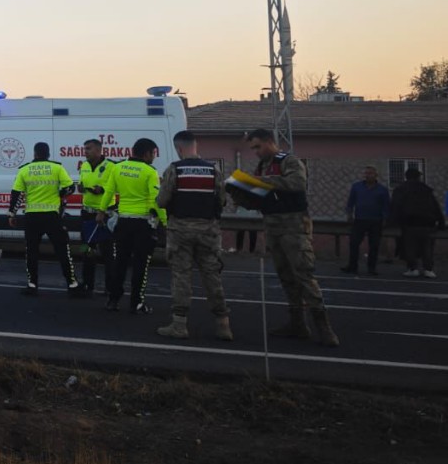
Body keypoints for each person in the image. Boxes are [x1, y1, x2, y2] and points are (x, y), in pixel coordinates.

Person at [237, 128, 338, 346]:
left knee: (304, 275)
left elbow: (297, 183)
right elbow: (261, 198)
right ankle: (298, 324)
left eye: (257, 146)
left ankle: (324, 327)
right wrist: (242, 192)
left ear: (269, 142)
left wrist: (260, 182)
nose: (255, 152)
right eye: (252, 148)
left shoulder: (288, 161)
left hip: (293, 226)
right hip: (272, 225)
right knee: (286, 277)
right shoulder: (262, 166)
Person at [154, 131, 231, 340]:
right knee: (212, 275)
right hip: (209, 231)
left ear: (179, 148)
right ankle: (223, 324)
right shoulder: (213, 169)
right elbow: (222, 200)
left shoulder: (175, 170)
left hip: (180, 231)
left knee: (181, 276)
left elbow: (161, 201)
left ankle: (179, 324)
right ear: (196, 145)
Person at [98, 138, 163, 314]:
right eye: (154, 154)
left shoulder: (118, 167)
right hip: (143, 224)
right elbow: (155, 200)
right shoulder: (150, 171)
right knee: (141, 264)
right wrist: (164, 222)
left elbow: (109, 191)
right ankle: (137, 303)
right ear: (147, 153)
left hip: (123, 222)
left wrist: (101, 211)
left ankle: (113, 299)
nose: (154, 158)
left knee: (120, 262)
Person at [9, 142, 82, 296]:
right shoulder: (57, 168)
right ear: (48, 154)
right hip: (52, 216)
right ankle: (72, 284)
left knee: (31, 251)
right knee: (62, 250)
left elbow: (16, 194)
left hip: (32, 217)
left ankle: (32, 284)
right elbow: (70, 187)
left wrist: (12, 214)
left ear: (35, 154)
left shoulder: (24, 170)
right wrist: (61, 195)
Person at [76, 138, 117, 294]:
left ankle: (110, 287)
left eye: (88, 149)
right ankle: (87, 284)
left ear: (99, 150)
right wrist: (81, 187)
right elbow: (82, 184)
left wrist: (103, 189)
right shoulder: (84, 165)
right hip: (87, 214)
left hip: (105, 215)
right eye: (84, 148)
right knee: (86, 249)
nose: (85, 151)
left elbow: (116, 187)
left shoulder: (111, 166)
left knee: (107, 253)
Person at [390, 166, 445, 278]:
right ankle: (428, 269)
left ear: (406, 176)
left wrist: (392, 222)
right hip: (428, 223)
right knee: (427, 247)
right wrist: (441, 222)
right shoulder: (426, 189)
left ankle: (412, 268)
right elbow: (435, 206)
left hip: (409, 224)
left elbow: (395, 206)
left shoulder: (401, 189)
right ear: (418, 177)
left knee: (410, 247)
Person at [343, 166, 391, 275]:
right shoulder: (357, 187)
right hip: (360, 219)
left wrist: (385, 218)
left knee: (374, 245)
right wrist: (349, 214)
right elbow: (351, 201)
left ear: (376, 175)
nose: (368, 175)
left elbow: (386, 206)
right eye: (366, 173)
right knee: (354, 243)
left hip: (376, 221)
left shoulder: (382, 190)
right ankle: (352, 266)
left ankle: (371, 268)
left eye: (371, 173)